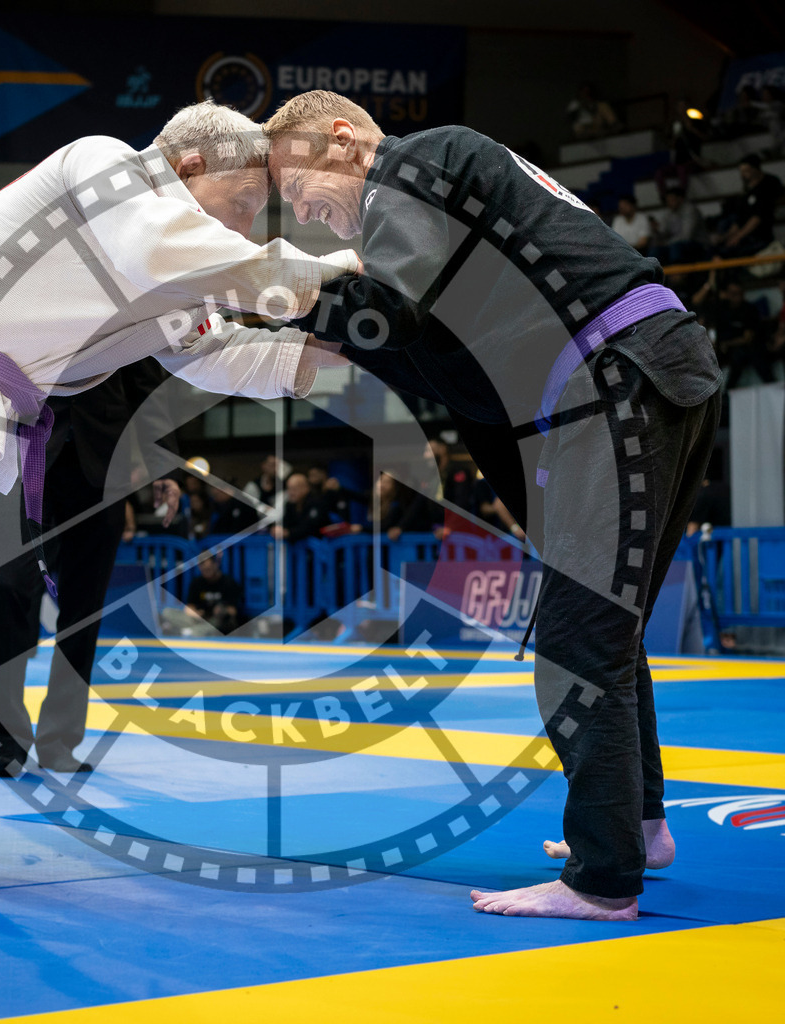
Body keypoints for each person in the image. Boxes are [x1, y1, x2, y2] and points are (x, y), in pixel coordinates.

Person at [0, 99, 358, 903]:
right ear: (191, 165)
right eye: (240, 206)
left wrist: (330, 345)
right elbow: (200, 254)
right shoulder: (104, 169)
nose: (242, 227)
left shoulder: (164, 270)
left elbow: (219, 356)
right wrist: (328, 274)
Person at [265, 90, 721, 920]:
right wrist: (320, 325)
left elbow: (401, 318)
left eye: (301, 193)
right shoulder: (451, 191)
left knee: (578, 640)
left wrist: (279, 293)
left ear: (342, 143)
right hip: (656, 369)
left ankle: (603, 878)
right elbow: (441, 359)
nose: (309, 216)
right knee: (605, 629)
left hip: (615, 376)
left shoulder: (408, 167)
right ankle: (640, 826)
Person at [0, 361, 181, 778]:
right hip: (24, 454)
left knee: (83, 612)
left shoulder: (129, 299)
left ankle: (59, 740)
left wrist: (162, 465)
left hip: (102, 464)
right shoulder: (22, 299)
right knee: (6, 587)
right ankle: (8, 737)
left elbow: (147, 384)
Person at [692, 272, 772, 388]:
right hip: (723, 348)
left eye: (740, 293)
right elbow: (707, 325)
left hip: (743, 347)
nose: (737, 297)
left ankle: (728, 392)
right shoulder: (721, 309)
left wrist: (726, 344)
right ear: (726, 294)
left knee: (743, 354)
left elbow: (747, 338)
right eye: (733, 294)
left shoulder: (749, 309)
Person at [710, 154, 784, 258]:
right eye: (741, 171)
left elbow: (758, 217)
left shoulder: (769, 183)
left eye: (746, 171)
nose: (743, 174)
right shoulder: (747, 190)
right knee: (715, 247)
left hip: (759, 235)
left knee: (729, 252)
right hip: (745, 232)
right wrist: (725, 237)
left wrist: (738, 236)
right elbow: (739, 219)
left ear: (755, 169)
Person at [162, 551, 244, 636]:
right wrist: (195, 613)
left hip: (217, 622)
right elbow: (190, 606)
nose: (206, 571)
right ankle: (190, 631)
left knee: (216, 624)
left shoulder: (228, 583)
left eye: (209, 568)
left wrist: (222, 610)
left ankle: (185, 632)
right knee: (167, 612)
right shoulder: (197, 583)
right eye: (203, 569)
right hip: (200, 619)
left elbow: (233, 611)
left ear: (215, 564)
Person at [270, 471, 330, 542]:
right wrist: (277, 529)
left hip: (320, 545)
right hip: (298, 547)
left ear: (306, 488)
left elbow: (311, 527)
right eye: (289, 489)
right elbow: (286, 522)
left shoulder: (317, 502)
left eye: (294, 489)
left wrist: (288, 533)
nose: (291, 492)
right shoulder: (290, 504)